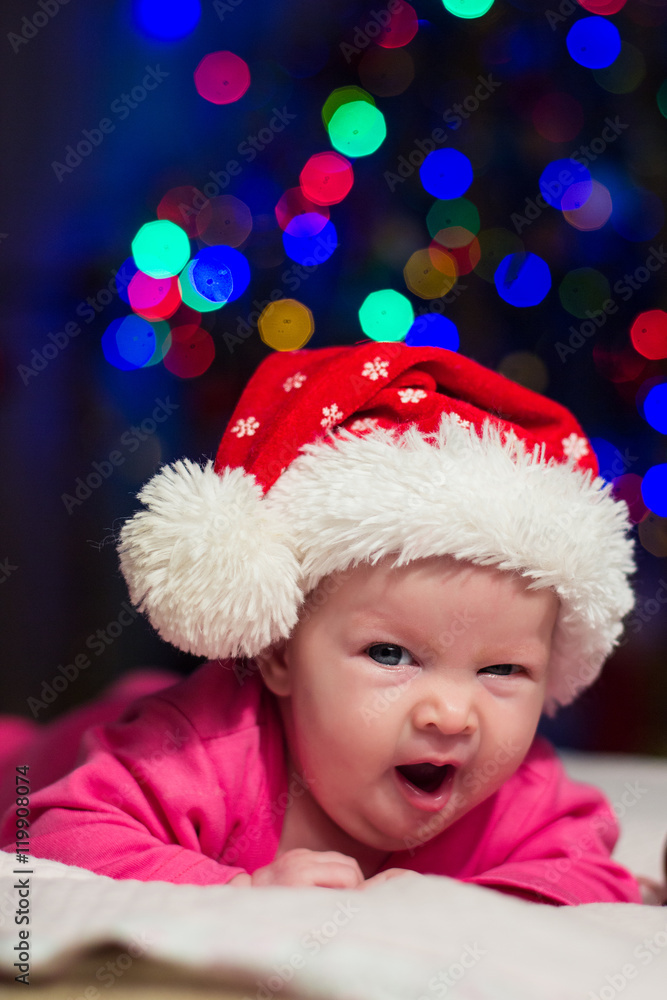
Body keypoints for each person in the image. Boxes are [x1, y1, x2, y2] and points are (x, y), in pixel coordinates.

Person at [0, 340, 655, 904]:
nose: (452, 715)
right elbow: (54, 833)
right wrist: (233, 893)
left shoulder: (519, 794)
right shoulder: (204, 751)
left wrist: (465, 907)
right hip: (63, 745)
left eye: (502, 669)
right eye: (391, 655)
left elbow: (590, 877)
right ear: (280, 653)